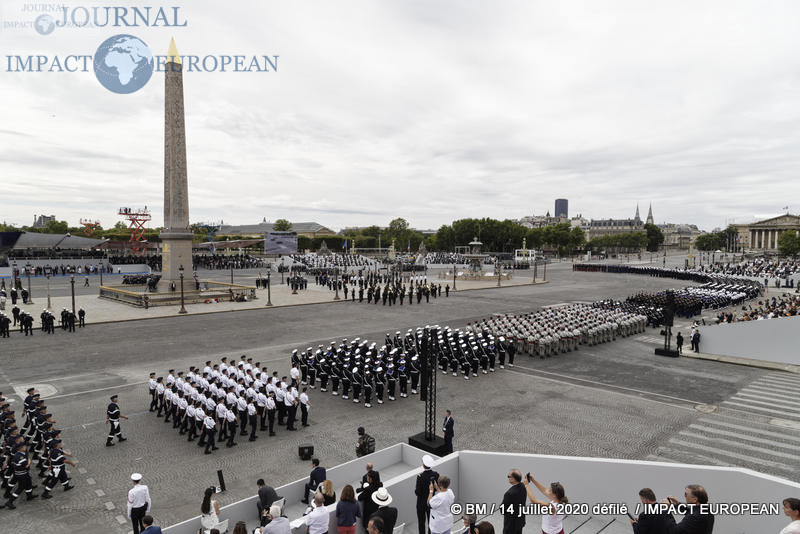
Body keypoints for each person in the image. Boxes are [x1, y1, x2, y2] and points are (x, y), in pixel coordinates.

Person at [414, 455, 439, 534]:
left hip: (421, 503)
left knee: (421, 522)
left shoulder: (420, 477)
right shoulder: (436, 474)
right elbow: (436, 487)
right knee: (431, 522)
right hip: (432, 502)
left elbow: (417, 492)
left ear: (423, 465)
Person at [501, 470, 526, 534]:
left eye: (509, 476)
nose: (508, 478)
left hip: (510, 525)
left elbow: (503, 510)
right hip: (520, 521)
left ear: (513, 478)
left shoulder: (508, 493)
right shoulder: (523, 486)